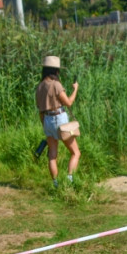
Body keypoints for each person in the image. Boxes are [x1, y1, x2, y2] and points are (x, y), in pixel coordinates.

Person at [34, 56, 80, 187]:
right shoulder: (56, 85)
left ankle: (56, 184)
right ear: (56, 71)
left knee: (52, 155)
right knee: (76, 152)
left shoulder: (40, 87)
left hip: (46, 120)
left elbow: (40, 110)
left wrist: (45, 125)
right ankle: (70, 180)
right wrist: (75, 88)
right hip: (59, 119)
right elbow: (69, 103)